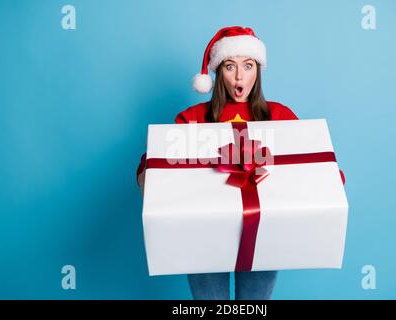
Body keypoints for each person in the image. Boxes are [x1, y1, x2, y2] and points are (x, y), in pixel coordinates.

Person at [136, 26, 345, 300]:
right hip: (202, 233)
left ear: (258, 70)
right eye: (230, 66)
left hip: (266, 232)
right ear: (217, 71)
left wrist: (329, 184)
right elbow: (153, 164)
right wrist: (151, 185)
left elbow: (313, 163)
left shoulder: (279, 115)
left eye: (248, 66)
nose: (239, 76)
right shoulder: (192, 118)